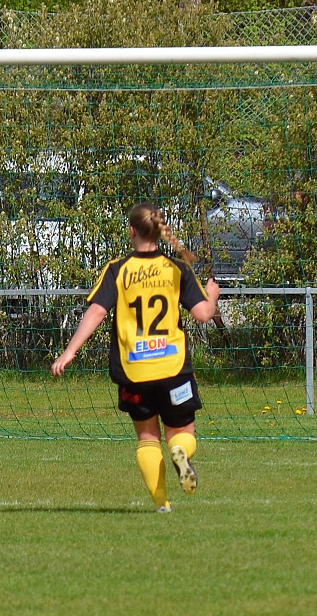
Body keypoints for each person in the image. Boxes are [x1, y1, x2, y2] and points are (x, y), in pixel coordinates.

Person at [51, 203, 219, 513]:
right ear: (160, 231)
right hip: (173, 368)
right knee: (181, 433)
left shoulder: (118, 269)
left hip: (134, 370)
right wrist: (213, 294)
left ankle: (161, 503)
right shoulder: (176, 269)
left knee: (147, 437)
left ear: (131, 231)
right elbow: (203, 315)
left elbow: (97, 311)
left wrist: (70, 351)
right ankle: (180, 450)